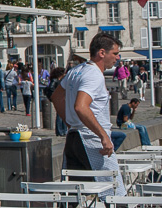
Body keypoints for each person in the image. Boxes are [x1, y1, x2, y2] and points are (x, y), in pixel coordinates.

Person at [50, 32, 125, 197]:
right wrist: (103, 136)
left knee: (73, 194)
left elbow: (56, 97)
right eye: (115, 53)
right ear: (102, 53)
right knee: (114, 193)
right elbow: (81, 107)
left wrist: (70, 123)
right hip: (92, 140)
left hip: (74, 136)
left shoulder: (76, 70)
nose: (118, 57)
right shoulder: (93, 74)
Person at [44, 67, 68, 137]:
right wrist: (56, 95)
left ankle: (64, 130)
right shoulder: (55, 80)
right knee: (59, 114)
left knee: (63, 114)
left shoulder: (60, 80)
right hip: (58, 98)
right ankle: (60, 131)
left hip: (61, 97)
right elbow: (51, 88)